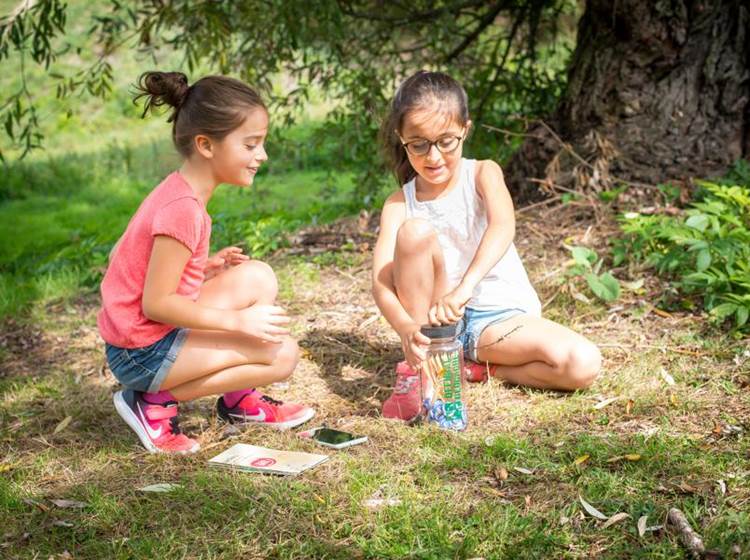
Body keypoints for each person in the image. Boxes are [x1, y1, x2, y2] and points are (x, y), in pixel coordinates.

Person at [98, 71, 314, 454]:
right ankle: (151, 403)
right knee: (282, 354)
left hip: (146, 337)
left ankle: (238, 401)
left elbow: (123, 255)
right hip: (141, 354)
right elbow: (156, 303)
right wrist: (237, 322)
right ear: (206, 145)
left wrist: (202, 267)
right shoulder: (183, 209)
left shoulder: (179, 191)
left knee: (257, 277)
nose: (261, 155)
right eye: (251, 145)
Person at [371, 70, 602, 422]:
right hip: (435, 326)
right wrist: (406, 328)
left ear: (465, 128)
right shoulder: (399, 202)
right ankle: (421, 375)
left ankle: (474, 371)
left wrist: (464, 289)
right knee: (414, 233)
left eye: (446, 141)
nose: (433, 156)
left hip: (496, 321)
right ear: (402, 138)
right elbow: (381, 282)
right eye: (418, 144)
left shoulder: (482, 174)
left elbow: (503, 225)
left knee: (582, 363)